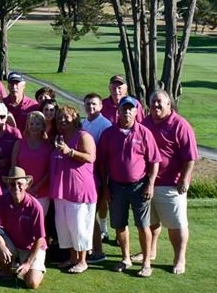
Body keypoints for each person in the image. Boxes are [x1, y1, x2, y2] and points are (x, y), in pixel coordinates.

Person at [97, 96, 160, 277]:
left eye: (130, 109)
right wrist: (106, 187)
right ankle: (125, 258)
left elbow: (154, 161)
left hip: (139, 186)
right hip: (116, 186)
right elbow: (102, 163)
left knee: (143, 225)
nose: (127, 112)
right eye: (124, 108)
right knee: (119, 225)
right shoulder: (109, 134)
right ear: (118, 111)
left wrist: (150, 184)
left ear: (136, 111)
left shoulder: (144, 132)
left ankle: (146, 262)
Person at [142, 90, 197, 275]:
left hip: (171, 184)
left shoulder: (180, 124)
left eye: (160, 102)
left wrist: (184, 179)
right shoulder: (146, 121)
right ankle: (151, 252)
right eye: (153, 102)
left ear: (168, 104)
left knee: (176, 224)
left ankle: (179, 258)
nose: (156, 105)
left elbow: (190, 157)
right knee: (150, 223)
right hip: (147, 182)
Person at [49, 104, 97, 274]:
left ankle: (82, 261)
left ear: (75, 118)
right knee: (65, 227)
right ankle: (72, 257)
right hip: (61, 190)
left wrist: (70, 152)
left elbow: (90, 157)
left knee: (79, 226)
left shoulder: (83, 136)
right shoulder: (59, 138)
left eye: (66, 116)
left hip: (79, 190)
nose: (62, 120)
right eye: (59, 117)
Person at [0, 167, 47, 289]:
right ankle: (5, 272)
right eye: (12, 184)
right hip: (12, 243)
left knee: (32, 283)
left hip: (32, 247)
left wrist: (28, 263)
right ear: (8, 185)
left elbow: (40, 238)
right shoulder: (1, 201)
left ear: (26, 185)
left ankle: (36, 267)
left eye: (20, 184)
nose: (16, 187)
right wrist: (1, 245)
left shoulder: (35, 206)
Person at [82, 92, 113, 262]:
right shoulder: (84, 122)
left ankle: (97, 251)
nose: (91, 107)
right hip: (87, 175)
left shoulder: (105, 124)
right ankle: (89, 248)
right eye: (88, 104)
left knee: (90, 214)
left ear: (101, 106)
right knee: (87, 213)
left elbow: (104, 154)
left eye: (94, 104)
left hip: (98, 174)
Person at [12, 111, 53, 214]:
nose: (34, 127)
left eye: (38, 124)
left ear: (43, 126)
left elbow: (50, 170)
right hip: (21, 190)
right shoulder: (19, 143)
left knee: (39, 223)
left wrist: (36, 187)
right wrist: (24, 186)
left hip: (42, 192)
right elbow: (14, 166)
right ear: (27, 125)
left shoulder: (48, 146)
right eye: (31, 124)